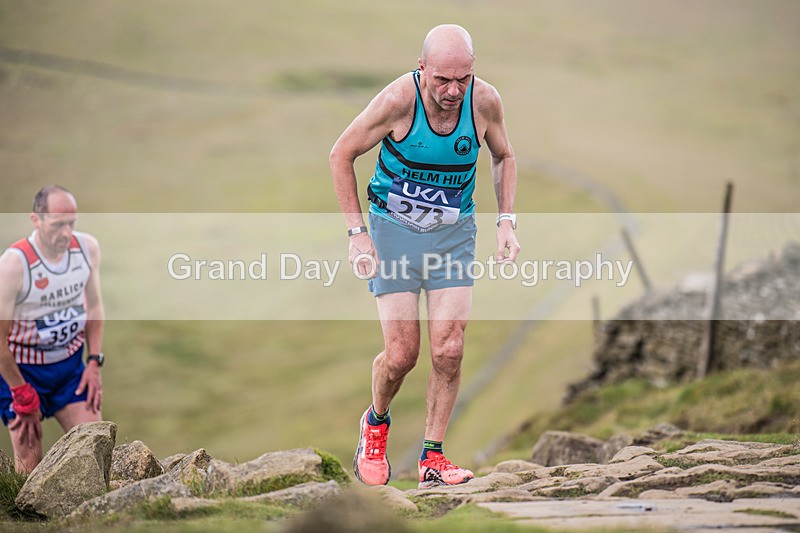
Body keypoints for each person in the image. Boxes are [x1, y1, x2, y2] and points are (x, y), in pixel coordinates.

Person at [330, 24, 519, 488]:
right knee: (401, 355)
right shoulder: (398, 101)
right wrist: (358, 233)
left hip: (452, 235)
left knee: (450, 349)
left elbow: (504, 156)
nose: (454, 91)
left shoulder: (485, 101)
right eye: (442, 80)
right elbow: (341, 154)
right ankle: (376, 422)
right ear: (422, 70)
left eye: (462, 78)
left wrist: (507, 221)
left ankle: (432, 458)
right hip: (393, 232)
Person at [0, 185, 105, 473]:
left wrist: (94, 362)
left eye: (72, 224)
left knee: (93, 455)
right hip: (22, 373)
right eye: (59, 225)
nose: (66, 233)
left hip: (70, 371)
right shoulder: (14, 265)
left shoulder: (86, 249)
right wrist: (20, 391)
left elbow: (94, 308)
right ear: (36, 219)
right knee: (30, 467)